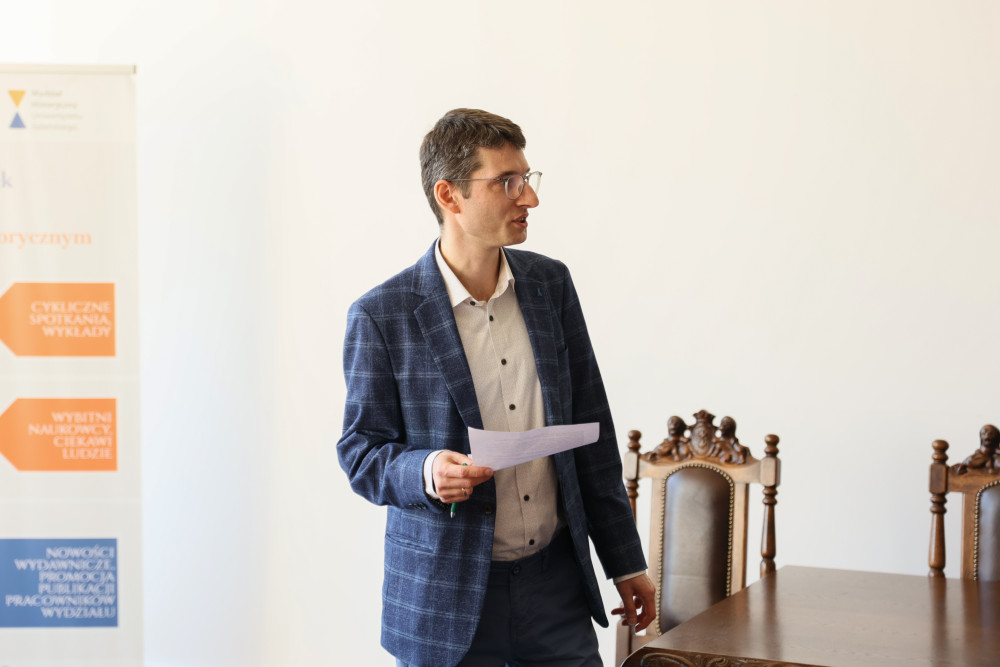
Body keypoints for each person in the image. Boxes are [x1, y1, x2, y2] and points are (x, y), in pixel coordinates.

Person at [337, 108, 655, 667]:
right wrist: (427, 471)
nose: (529, 198)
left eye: (527, 179)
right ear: (449, 195)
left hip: (557, 589)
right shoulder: (382, 315)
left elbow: (593, 433)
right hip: (445, 598)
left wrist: (625, 561)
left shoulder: (551, 285)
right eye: (507, 182)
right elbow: (361, 452)